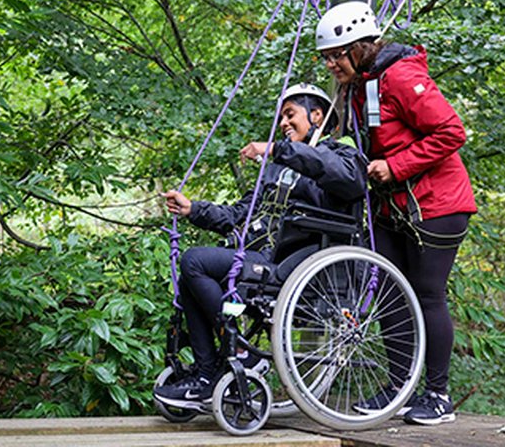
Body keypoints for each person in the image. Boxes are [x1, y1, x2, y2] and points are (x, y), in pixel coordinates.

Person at [153, 83, 367, 409]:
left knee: (195, 261)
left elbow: (345, 179)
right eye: (282, 116)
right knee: (191, 274)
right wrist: (192, 209)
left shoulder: (340, 154)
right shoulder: (276, 168)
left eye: (290, 114)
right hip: (262, 258)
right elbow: (239, 214)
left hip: (298, 264)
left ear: (317, 115)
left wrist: (279, 150)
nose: (283, 123)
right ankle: (208, 373)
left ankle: (239, 353)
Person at [315, 1, 477, 425]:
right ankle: (401, 385)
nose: (331, 64)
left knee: (427, 293)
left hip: (437, 204)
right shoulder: (358, 87)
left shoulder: (401, 76)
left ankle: (437, 395)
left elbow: (451, 131)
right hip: (395, 205)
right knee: (389, 289)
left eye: (337, 54)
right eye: (326, 57)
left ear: (362, 47)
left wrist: (396, 166)